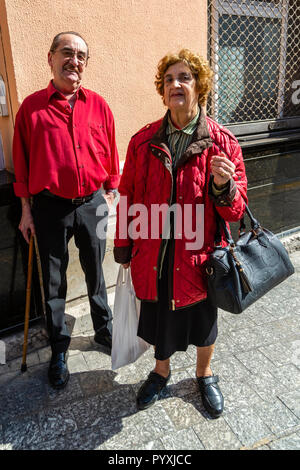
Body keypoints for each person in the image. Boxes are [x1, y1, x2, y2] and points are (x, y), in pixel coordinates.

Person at [114, 49, 247, 418]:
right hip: (154, 253)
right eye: (169, 79)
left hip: (199, 254)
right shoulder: (142, 141)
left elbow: (235, 211)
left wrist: (223, 185)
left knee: (204, 322)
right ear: (162, 89)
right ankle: (161, 372)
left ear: (199, 86)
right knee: (159, 319)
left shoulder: (223, 142)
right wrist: (123, 245)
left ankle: (204, 376)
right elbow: (128, 197)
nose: (176, 84)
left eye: (185, 77)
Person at [13, 32, 120, 389]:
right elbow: (22, 164)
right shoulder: (31, 108)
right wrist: (26, 210)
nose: (74, 60)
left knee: (96, 273)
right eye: (67, 53)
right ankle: (59, 348)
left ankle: (104, 331)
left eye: (81, 55)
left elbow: (109, 150)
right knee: (54, 281)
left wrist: (111, 193)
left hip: (92, 202)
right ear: (51, 58)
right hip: (49, 206)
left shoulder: (99, 105)